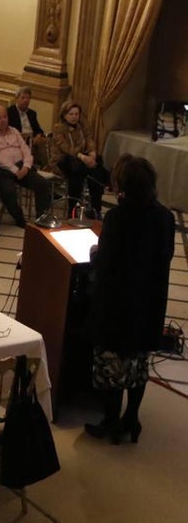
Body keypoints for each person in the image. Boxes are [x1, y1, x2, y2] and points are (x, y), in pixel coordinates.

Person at [85, 156, 174, 444]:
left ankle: (112, 419)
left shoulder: (117, 218)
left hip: (117, 304)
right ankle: (131, 418)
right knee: (137, 363)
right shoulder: (165, 217)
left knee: (111, 365)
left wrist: (95, 253)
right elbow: (165, 257)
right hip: (148, 303)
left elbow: (107, 264)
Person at [0, 105, 53, 227]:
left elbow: (26, 150)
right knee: (8, 191)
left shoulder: (14, 131)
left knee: (43, 184)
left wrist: (26, 167)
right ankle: (19, 218)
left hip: (22, 167)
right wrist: (15, 170)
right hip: (3, 169)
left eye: (5, 117)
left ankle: (41, 217)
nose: (3, 120)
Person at [50, 100, 110, 215]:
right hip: (63, 160)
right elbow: (66, 148)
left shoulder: (82, 126)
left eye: (76, 114)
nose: (74, 117)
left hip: (81, 160)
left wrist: (92, 153)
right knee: (79, 172)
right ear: (64, 115)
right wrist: (84, 158)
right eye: (71, 114)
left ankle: (95, 208)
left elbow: (89, 139)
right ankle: (72, 209)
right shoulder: (59, 128)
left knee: (95, 167)